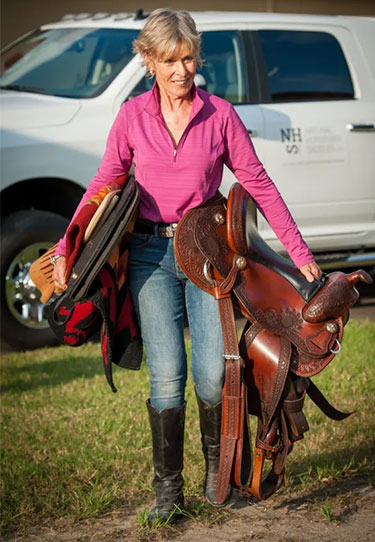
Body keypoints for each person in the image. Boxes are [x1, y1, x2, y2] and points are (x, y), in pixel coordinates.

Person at [52, 8, 322, 523]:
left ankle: (216, 479)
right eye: (170, 60)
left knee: (210, 375)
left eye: (189, 57)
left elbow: (258, 183)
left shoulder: (219, 114)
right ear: (148, 61)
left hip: (206, 256)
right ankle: (168, 493)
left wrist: (299, 252)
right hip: (150, 255)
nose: (182, 69)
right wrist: (69, 246)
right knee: (168, 376)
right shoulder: (132, 116)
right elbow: (105, 183)